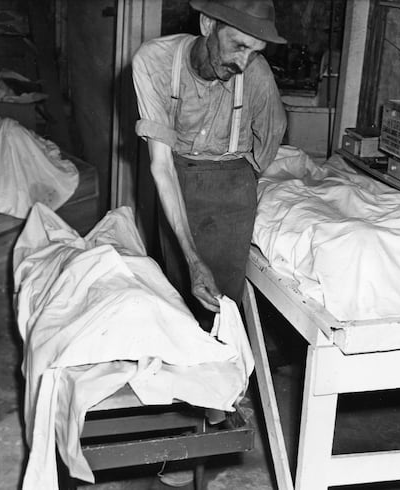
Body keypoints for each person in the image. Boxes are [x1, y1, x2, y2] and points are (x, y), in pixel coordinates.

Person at [132, 0, 287, 332]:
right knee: (178, 293)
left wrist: (243, 177)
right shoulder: (154, 62)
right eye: (239, 45)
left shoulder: (256, 73)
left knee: (222, 305)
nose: (244, 62)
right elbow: (161, 166)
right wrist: (192, 259)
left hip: (232, 187)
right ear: (207, 25)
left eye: (256, 51)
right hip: (176, 179)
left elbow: (273, 130)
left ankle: (227, 376)